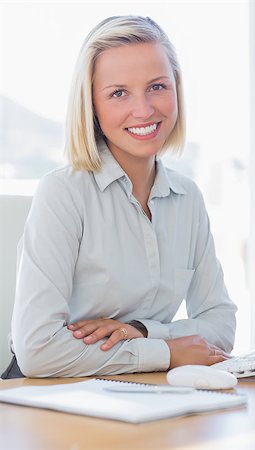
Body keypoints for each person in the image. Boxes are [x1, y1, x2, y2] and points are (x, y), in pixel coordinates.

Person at [2, 15, 237, 379]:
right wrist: (166, 350)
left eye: (157, 86)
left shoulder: (188, 198)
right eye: (118, 93)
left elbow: (220, 325)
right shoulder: (63, 193)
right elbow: (37, 351)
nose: (144, 110)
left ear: (177, 89)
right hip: (47, 396)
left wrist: (143, 331)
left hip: (139, 392)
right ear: (91, 105)